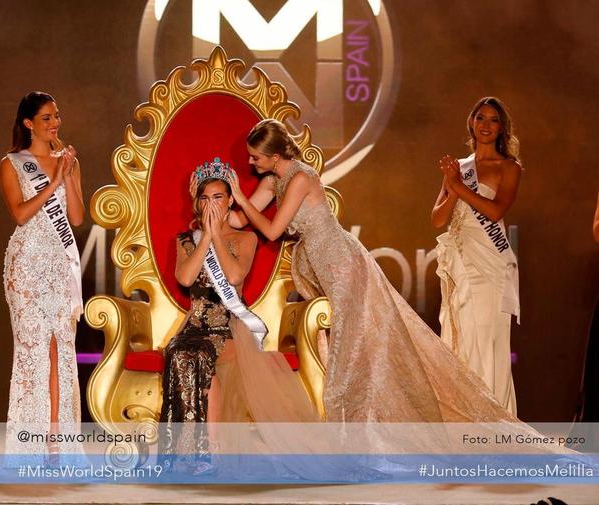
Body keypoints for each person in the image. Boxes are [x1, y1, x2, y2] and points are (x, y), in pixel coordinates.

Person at [227, 118, 527, 425]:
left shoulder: (301, 178)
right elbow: (239, 221)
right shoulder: (271, 181)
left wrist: (239, 199)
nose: (251, 162)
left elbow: (274, 231)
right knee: (348, 341)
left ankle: (366, 423)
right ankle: (360, 421)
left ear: (275, 156)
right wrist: (213, 210)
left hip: (339, 260)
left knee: (356, 343)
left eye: (256, 157)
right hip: (319, 262)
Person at [160, 158, 326, 476]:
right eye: (206, 198)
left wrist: (218, 236)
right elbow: (185, 278)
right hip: (194, 325)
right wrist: (205, 237)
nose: (212, 205)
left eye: (218, 198)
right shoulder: (186, 240)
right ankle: (185, 454)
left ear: (230, 201)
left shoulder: (245, 239)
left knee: (203, 355)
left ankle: (212, 453)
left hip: (229, 326)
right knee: (182, 351)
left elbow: (235, 276)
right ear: (198, 203)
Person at [0, 91, 85, 461]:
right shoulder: (12, 163)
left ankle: (57, 441)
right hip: (27, 267)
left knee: (61, 351)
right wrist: (52, 183)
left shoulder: (68, 161)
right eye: (47, 118)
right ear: (29, 123)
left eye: (57, 116)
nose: (55, 123)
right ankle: (29, 445)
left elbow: (78, 218)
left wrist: (70, 176)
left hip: (59, 265)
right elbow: (20, 214)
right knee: (34, 352)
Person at [432, 97, 521, 415]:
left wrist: (458, 185)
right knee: (460, 339)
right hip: (459, 261)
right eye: (480, 117)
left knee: (486, 341)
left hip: (489, 264)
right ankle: (462, 420)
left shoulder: (508, 168)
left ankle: (493, 421)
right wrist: (453, 186)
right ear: (471, 122)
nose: (485, 124)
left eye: (493, 119)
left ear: (501, 128)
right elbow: (438, 219)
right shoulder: (459, 168)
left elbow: (496, 209)